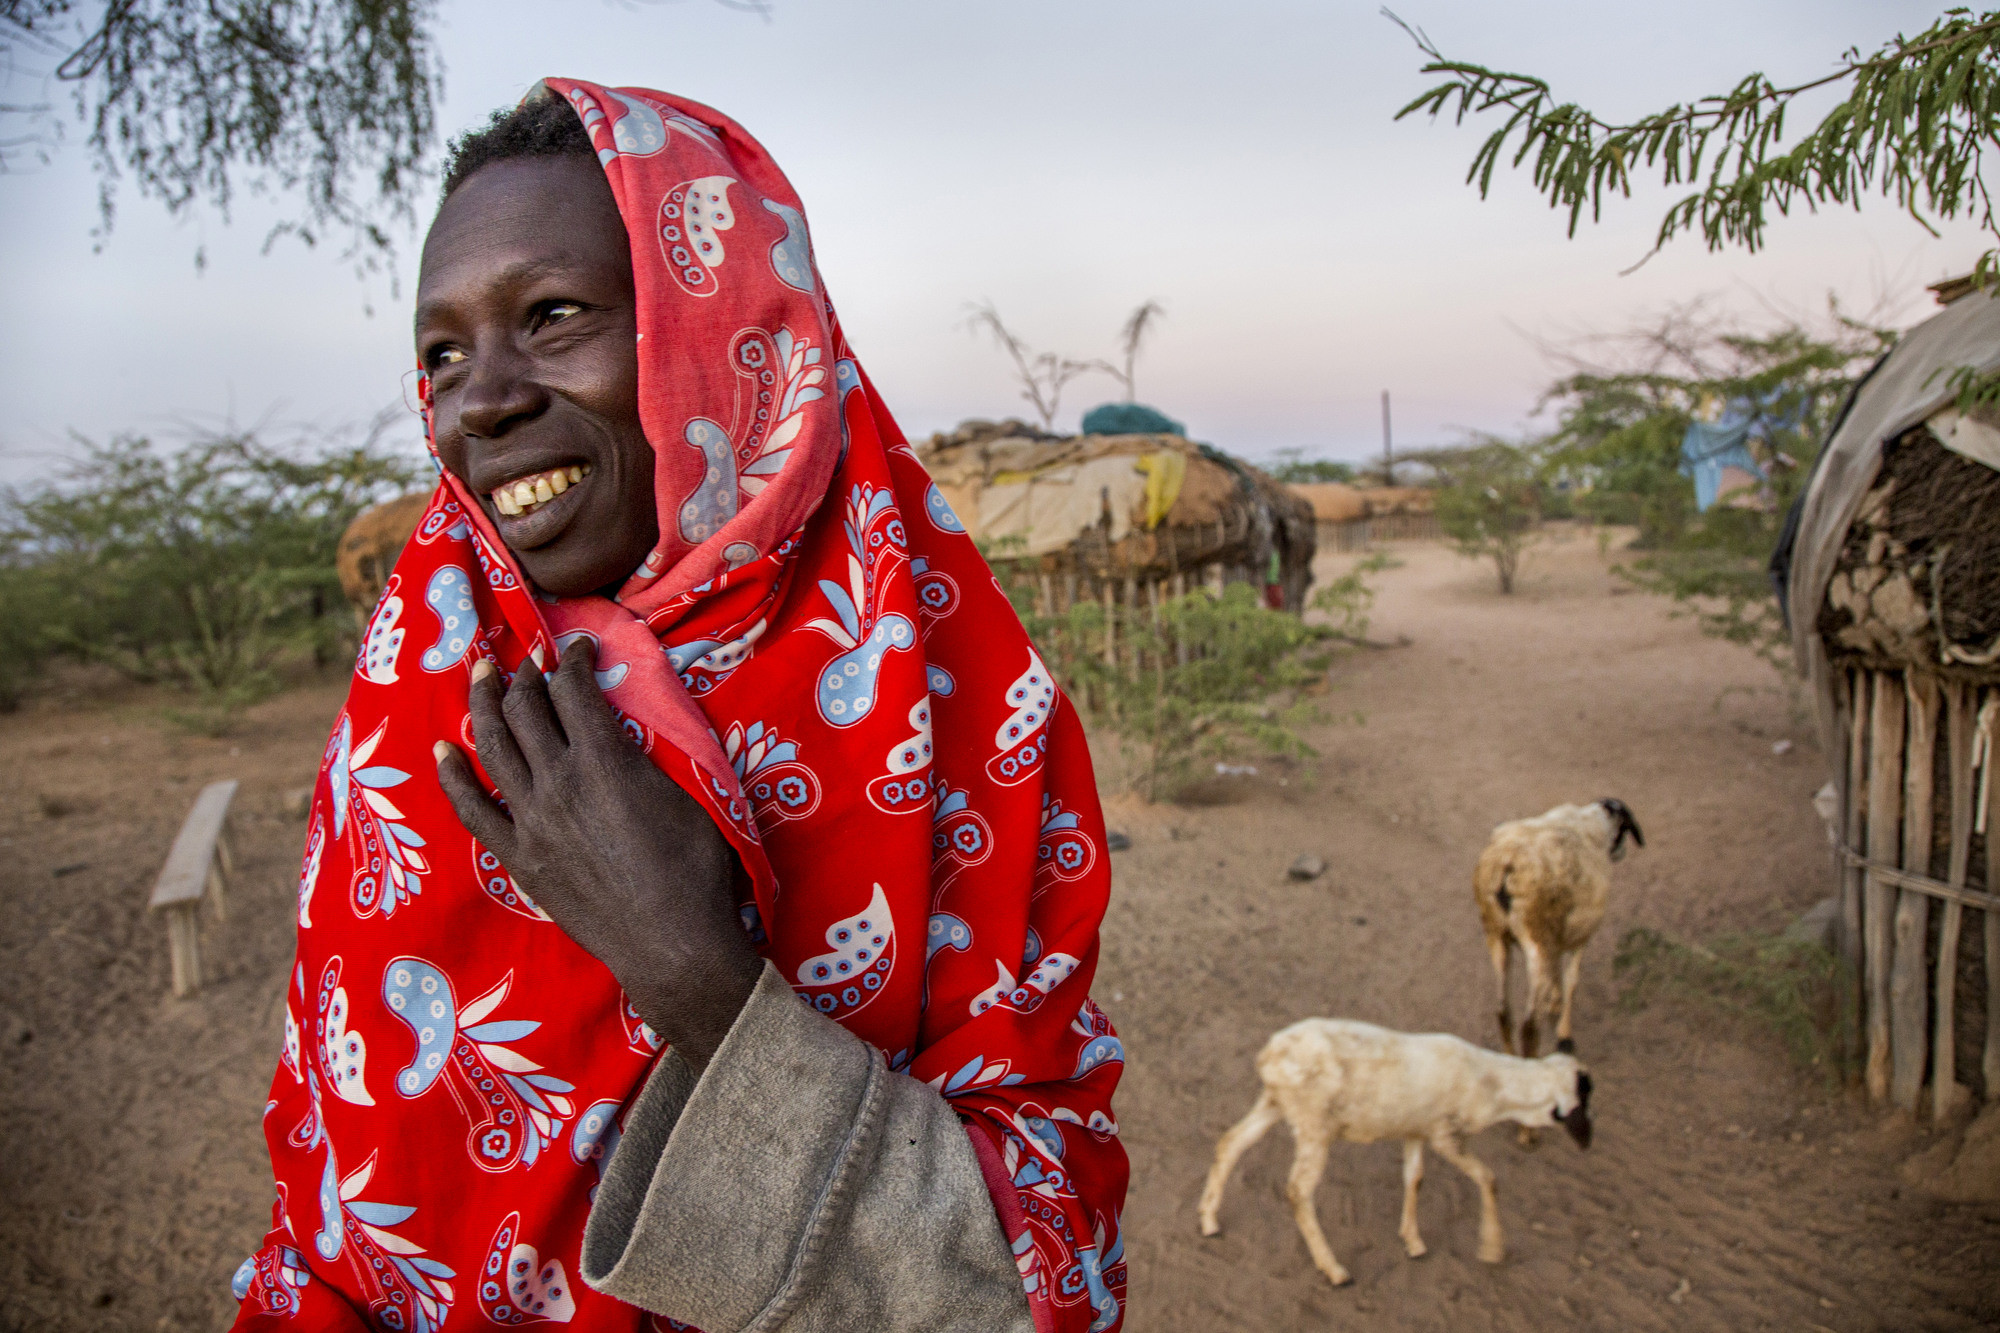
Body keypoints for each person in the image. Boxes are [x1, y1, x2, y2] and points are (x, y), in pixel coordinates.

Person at [229, 81, 1127, 1333]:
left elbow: (1049, 1271)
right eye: (441, 352)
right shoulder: (419, 694)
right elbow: (329, 1197)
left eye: (552, 317)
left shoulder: (963, 711)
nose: (479, 400)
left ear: (727, 327)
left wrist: (703, 979)